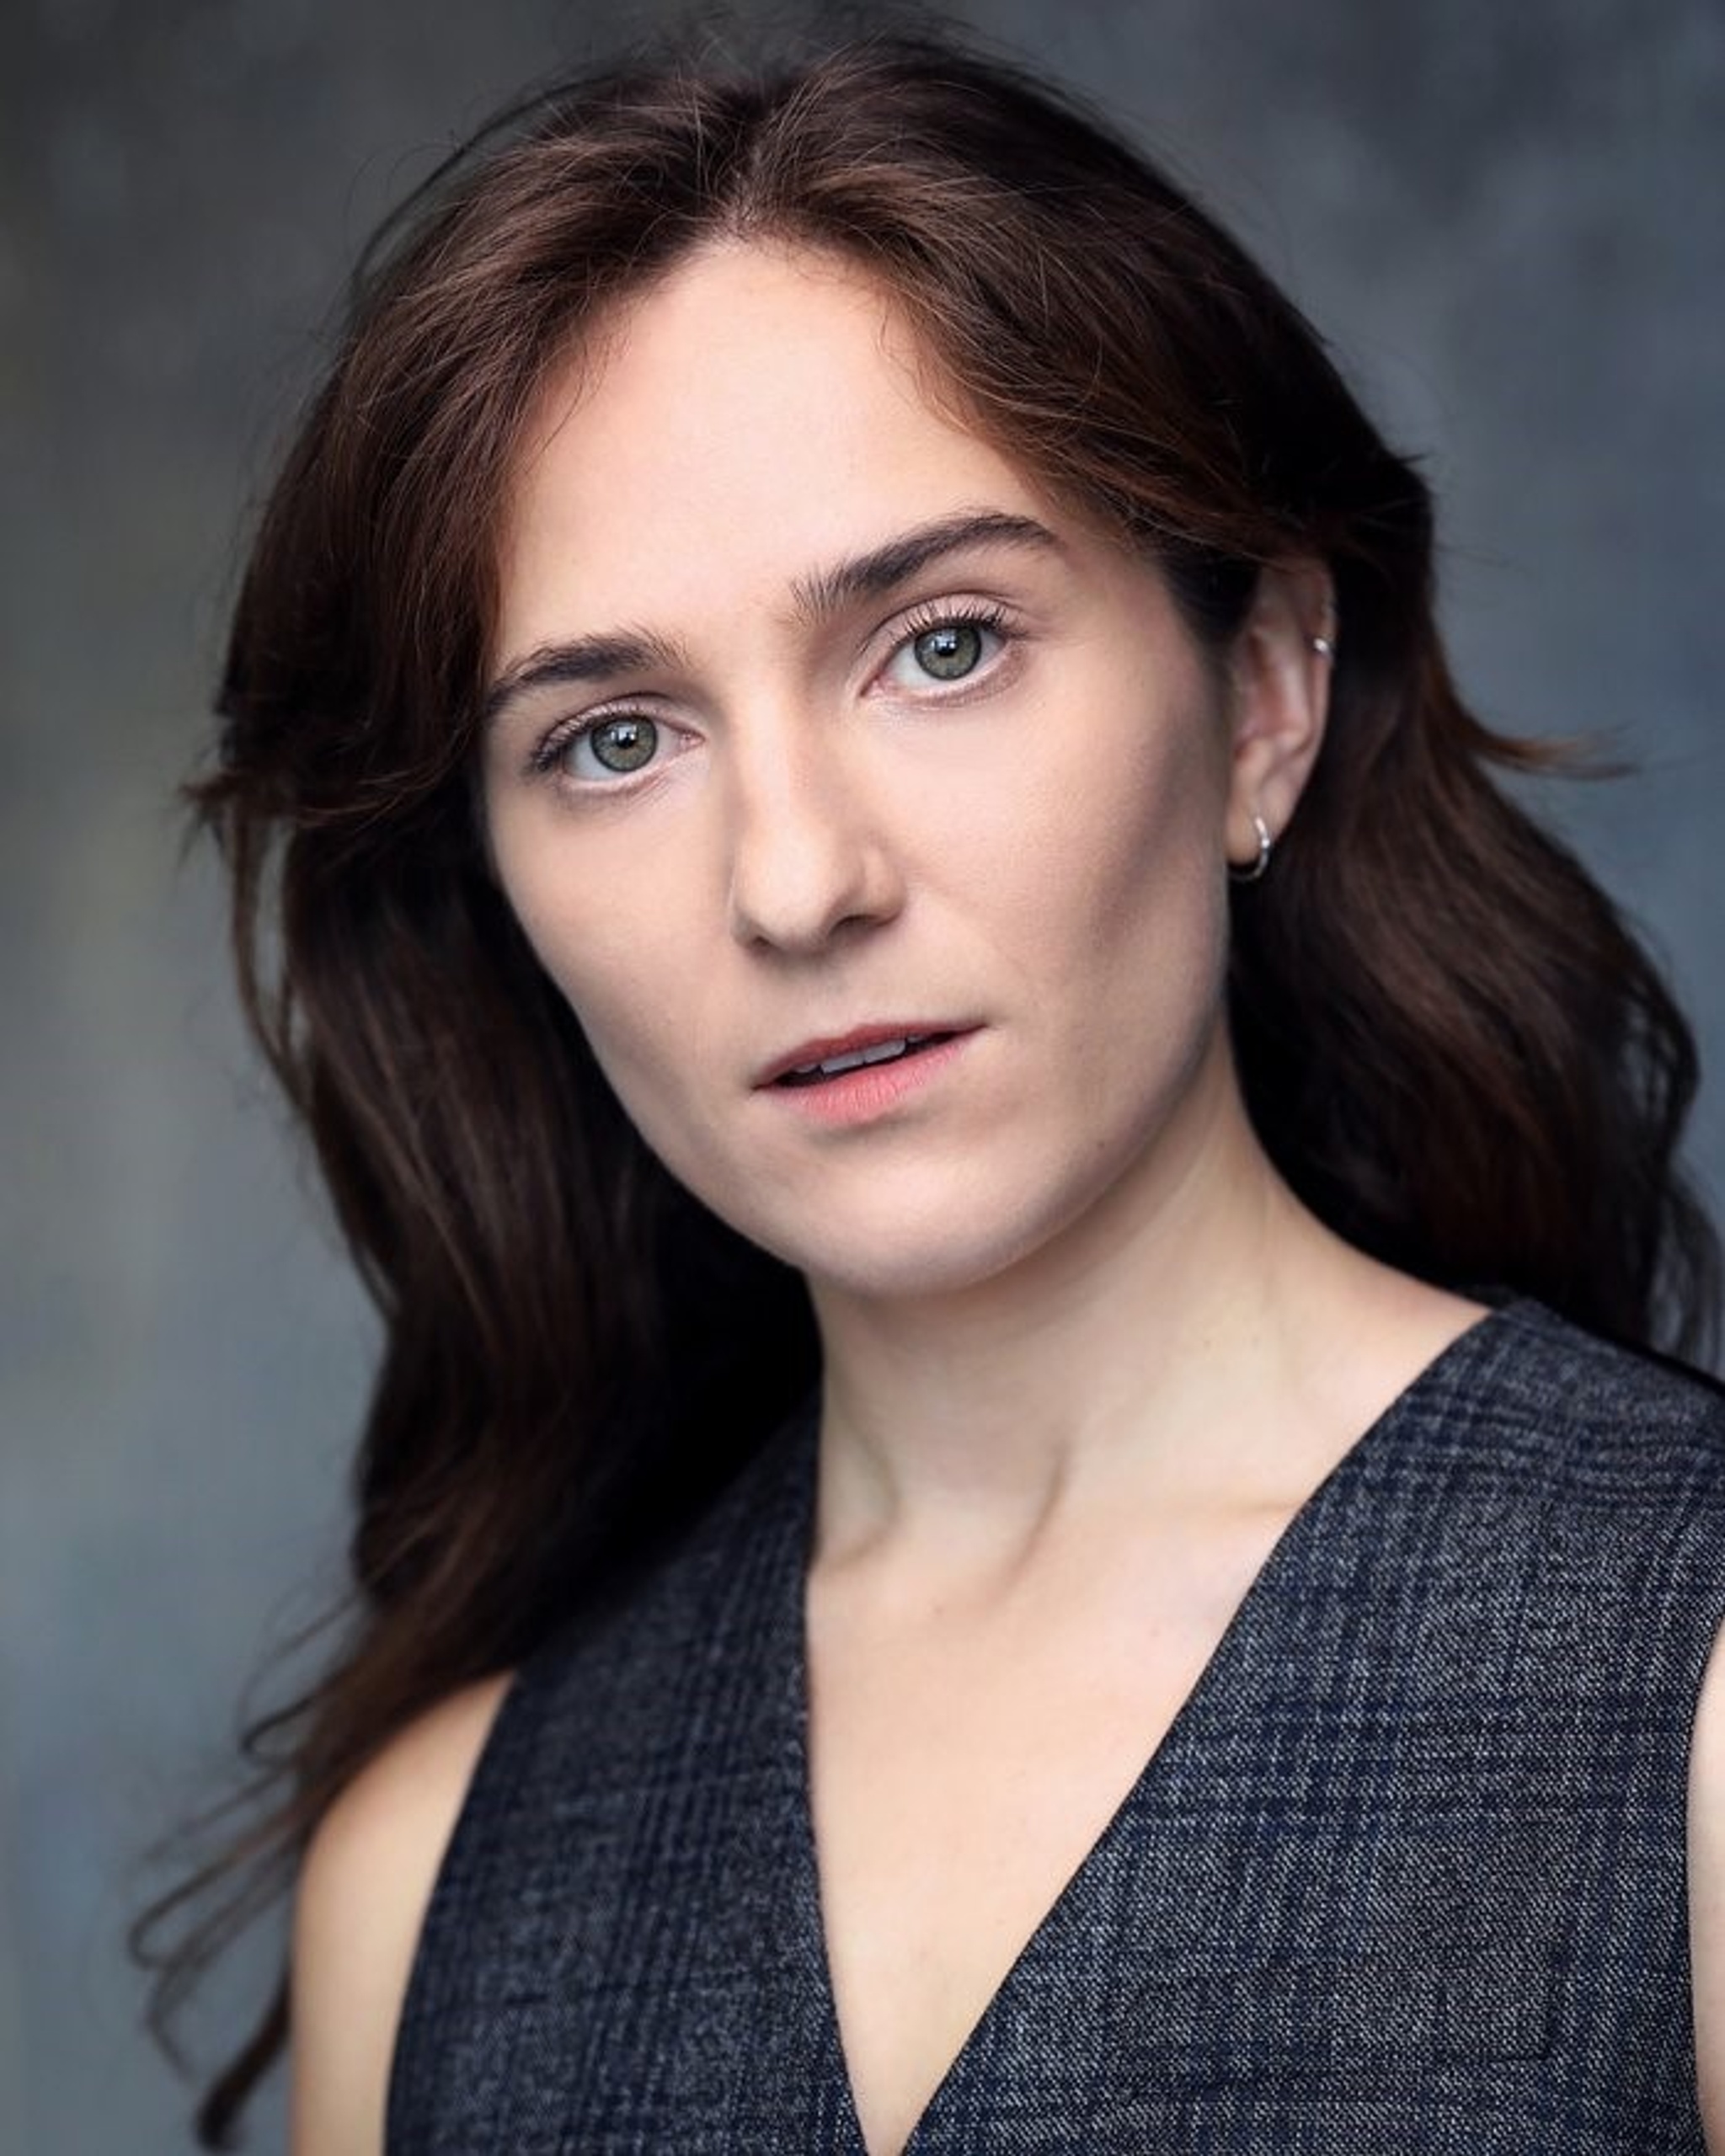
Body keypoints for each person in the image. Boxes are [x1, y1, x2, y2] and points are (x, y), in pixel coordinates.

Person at [138, 24, 1725, 2155]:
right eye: (613, 738)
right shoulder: (432, 1884)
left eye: (943, 642)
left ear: (1259, 691)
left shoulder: (1686, 1691)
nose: (798, 880)